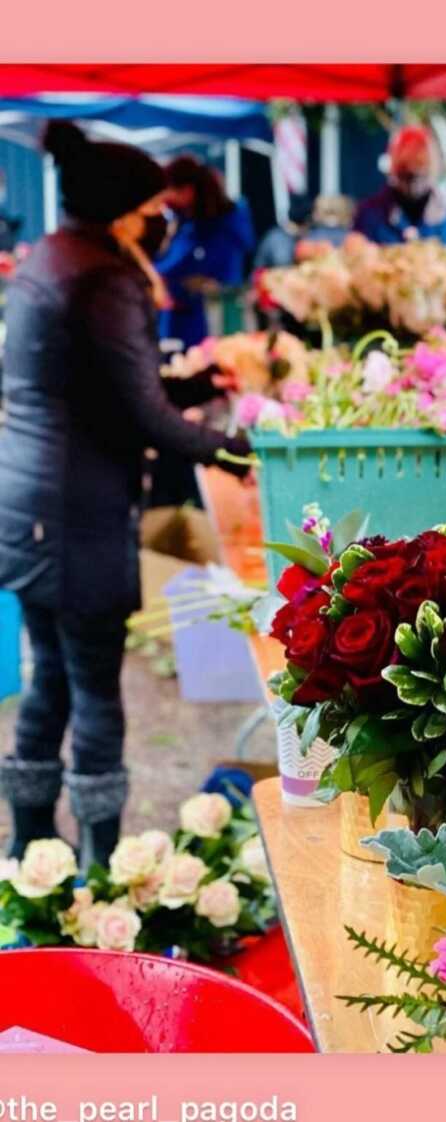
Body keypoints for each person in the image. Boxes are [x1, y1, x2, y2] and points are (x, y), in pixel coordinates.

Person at [0, 122, 252, 865]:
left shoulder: (50, 254)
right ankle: (100, 863)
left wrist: (198, 384)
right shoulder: (106, 276)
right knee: (94, 690)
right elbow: (142, 415)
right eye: (152, 207)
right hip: (77, 517)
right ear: (125, 211)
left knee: (51, 679)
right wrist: (239, 451)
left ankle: (31, 849)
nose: (160, 217)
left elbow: (104, 389)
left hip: (31, 507)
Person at [157, 154, 257, 347]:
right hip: (185, 318)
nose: (163, 200)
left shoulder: (221, 225)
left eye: (168, 191)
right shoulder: (186, 221)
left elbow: (177, 266)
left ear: (187, 190)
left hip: (211, 321)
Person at [352, 124, 446, 246]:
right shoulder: (369, 214)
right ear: (392, 167)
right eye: (404, 167)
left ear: (435, 166)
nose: (413, 171)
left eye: (421, 164)